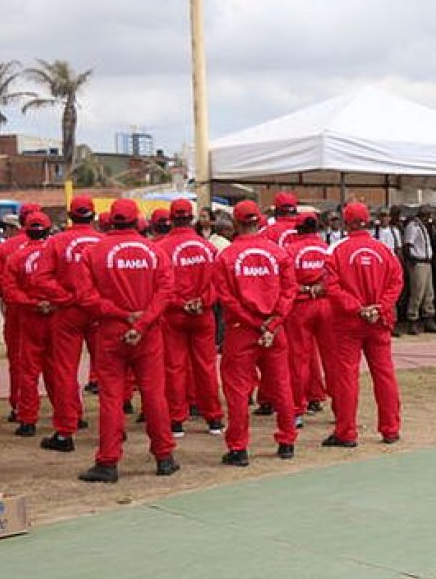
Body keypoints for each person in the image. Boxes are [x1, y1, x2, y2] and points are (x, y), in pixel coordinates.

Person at [73, 198, 180, 483]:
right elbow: (165, 292)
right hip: (148, 334)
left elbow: (85, 297)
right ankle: (165, 457)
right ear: (137, 221)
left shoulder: (93, 252)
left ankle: (108, 462)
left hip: (110, 331)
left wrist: (122, 315)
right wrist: (142, 322)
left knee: (111, 397)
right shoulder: (155, 252)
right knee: (154, 394)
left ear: (108, 221)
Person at [213, 200, 299, 466]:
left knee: (238, 390)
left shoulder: (226, 257)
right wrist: (272, 323)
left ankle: (238, 448)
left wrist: (254, 323)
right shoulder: (278, 254)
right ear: (259, 221)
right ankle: (287, 441)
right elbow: (289, 291)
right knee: (281, 384)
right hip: (273, 328)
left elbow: (226, 298)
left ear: (236, 224)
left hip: (242, 331)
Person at [323, 201, 404, 446]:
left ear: (345, 222)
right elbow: (396, 282)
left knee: (347, 377)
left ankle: (346, 432)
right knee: (385, 374)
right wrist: (379, 307)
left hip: (349, 323)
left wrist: (357, 308)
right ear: (368, 220)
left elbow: (331, 287)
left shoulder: (336, 250)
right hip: (379, 321)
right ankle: (390, 429)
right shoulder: (383, 250)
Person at [35, 196, 102, 450]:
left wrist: (65, 297)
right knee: (109, 371)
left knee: (64, 370)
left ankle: (65, 432)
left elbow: (41, 279)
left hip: (68, 312)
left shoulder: (56, 242)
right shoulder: (103, 242)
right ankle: (113, 427)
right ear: (93, 216)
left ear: (70, 216)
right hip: (98, 312)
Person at [155, 198, 223, 436]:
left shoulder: (161, 248)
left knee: (174, 367)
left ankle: (176, 420)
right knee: (206, 366)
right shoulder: (207, 247)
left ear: (171, 219)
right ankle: (214, 418)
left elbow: (160, 286)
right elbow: (219, 282)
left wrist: (181, 303)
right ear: (191, 218)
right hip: (202, 314)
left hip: (174, 315)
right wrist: (203, 302)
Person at [3, 211, 63, 437]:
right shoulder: (58, 254)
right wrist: (54, 302)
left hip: (29, 318)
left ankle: (27, 420)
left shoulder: (16, 257)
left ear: (24, 229)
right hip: (56, 317)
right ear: (49, 230)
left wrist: (33, 303)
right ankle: (69, 415)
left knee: (29, 370)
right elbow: (70, 283)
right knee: (59, 368)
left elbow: (9, 291)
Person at [282, 212, 335, 415]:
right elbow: (336, 278)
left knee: (298, 360)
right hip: (327, 306)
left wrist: (304, 290)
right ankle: (340, 409)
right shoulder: (328, 248)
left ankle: (297, 409)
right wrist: (321, 287)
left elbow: (286, 283)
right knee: (332, 360)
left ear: (298, 230)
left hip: (300, 308)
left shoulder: (289, 250)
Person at [0, 203, 38, 423]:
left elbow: (3, 284)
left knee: (19, 361)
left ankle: (20, 408)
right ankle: (71, 415)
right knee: (57, 365)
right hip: (49, 310)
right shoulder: (53, 246)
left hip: (18, 310)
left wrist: (6, 303)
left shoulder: (6, 250)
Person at [402, 204, 436, 333]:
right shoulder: (413, 226)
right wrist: (411, 261)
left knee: (429, 292)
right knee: (417, 292)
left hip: (427, 262)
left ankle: (428, 316)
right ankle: (413, 318)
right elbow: (407, 245)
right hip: (418, 262)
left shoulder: (424, 227)